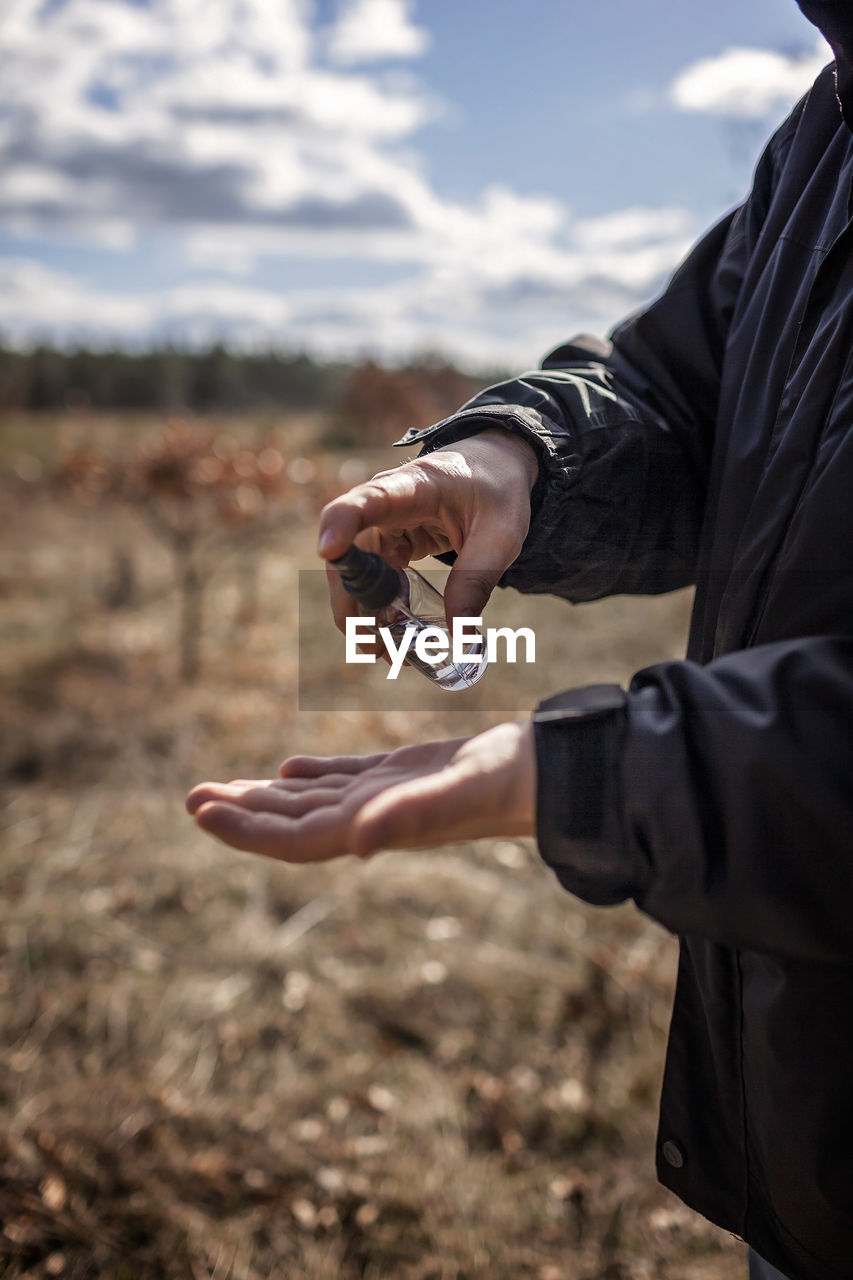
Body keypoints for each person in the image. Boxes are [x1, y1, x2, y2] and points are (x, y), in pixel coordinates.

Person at [187, 4, 853, 1277]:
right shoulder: (823, 139)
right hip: (814, 1114)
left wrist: (603, 772)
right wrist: (516, 455)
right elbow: (684, 393)